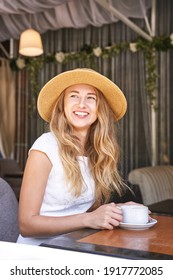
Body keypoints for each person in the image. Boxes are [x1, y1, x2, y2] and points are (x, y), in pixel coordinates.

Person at [17, 68, 137, 245]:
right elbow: (26, 225)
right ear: (62, 106)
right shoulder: (45, 147)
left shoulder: (97, 151)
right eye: (73, 96)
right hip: (40, 252)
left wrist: (117, 210)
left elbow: (88, 211)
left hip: (79, 245)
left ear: (99, 109)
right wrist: (87, 219)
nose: (82, 104)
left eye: (91, 98)